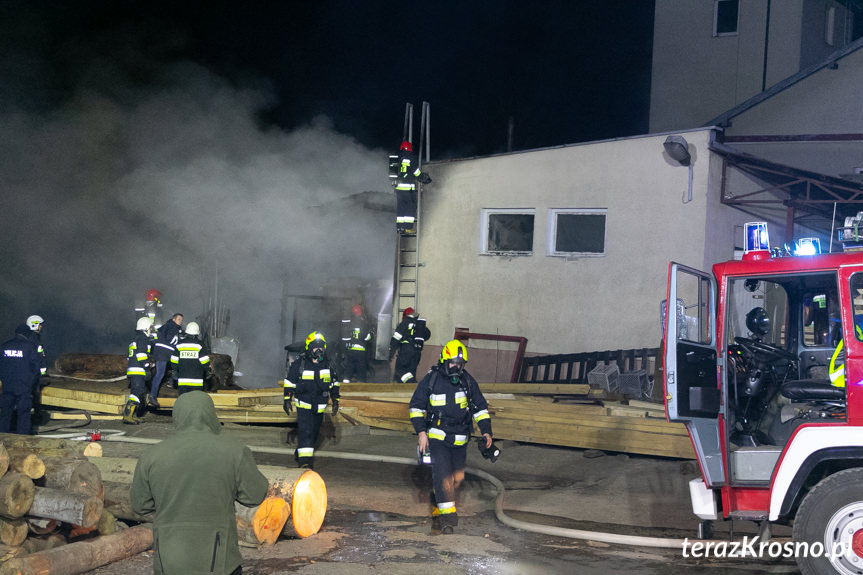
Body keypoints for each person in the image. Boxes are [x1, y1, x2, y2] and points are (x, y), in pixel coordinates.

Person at [130, 391, 268, 575]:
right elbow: (255, 495)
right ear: (211, 415)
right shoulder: (235, 451)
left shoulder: (151, 456)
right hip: (220, 561)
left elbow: (140, 505)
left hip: (170, 562)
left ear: (177, 417)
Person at [409, 339, 493, 534]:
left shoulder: (468, 381)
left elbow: (480, 408)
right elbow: (415, 407)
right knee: (443, 476)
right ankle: (447, 521)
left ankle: (442, 497)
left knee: (456, 478)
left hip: (461, 439)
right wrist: (422, 432)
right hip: (438, 437)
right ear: (444, 361)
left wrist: (487, 431)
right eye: (453, 363)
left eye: (460, 364)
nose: (456, 367)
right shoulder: (431, 380)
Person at [282, 331, 340, 469]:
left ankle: (301, 451)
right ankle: (305, 464)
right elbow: (289, 382)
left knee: (313, 434)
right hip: (304, 406)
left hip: (319, 407)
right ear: (309, 348)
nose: (319, 350)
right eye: (315, 347)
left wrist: (336, 399)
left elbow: (334, 384)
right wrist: (286, 399)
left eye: (321, 347)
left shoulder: (329, 366)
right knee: (306, 432)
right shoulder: (299, 365)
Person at [0, 324, 42, 434]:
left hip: (7, 387)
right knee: (24, 415)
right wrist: (32, 384)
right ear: (27, 334)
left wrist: (4, 380)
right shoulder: (29, 346)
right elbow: (36, 368)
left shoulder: (4, 346)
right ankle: (22, 441)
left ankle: (2, 439)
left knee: (5, 414)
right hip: (24, 388)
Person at [392, 140, 431, 235]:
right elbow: (416, 172)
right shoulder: (410, 158)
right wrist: (425, 179)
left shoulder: (398, 158)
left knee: (401, 208)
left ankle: (400, 228)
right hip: (407, 188)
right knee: (411, 206)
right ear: (409, 148)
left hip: (399, 189)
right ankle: (408, 228)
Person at [123, 317, 154, 425]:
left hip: (134, 369)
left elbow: (129, 357)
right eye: (150, 327)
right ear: (145, 327)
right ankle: (128, 416)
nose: (151, 329)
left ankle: (134, 415)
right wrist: (147, 367)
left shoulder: (136, 338)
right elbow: (141, 354)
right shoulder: (142, 338)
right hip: (138, 370)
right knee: (136, 393)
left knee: (138, 392)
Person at [149, 313, 183, 409]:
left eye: (181, 319)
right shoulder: (173, 328)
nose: (181, 321)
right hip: (164, 354)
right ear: (174, 319)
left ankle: (171, 382)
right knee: (160, 374)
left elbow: (157, 336)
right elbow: (170, 339)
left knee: (173, 368)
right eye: (179, 319)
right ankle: (152, 395)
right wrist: (179, 341)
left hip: (163, 353)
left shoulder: (166, 326)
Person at [390, 307, 430, 383]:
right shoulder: (419, 324)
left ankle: (412, 382)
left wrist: (390, 352)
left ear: (405, 315)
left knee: (400, 370)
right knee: (411, 372)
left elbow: (396, 338)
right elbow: (427, 334)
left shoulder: (405, 322)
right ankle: (411, 390)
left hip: (406, 351)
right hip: (417, 353)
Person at [170, 321, 211, 394]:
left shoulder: (180, 344)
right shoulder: (200, 345)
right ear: (197, 333)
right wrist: (208, 370)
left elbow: (174, 359)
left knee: (183, 400)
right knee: (195, 402)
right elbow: (204, 360)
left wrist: (174, 370)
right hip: (196, 381)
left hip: (183, 380)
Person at [341, 305, 373, 383]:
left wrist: (346, 346)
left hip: (350, 350)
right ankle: (360, 383)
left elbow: (345, 336)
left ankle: (346, 380)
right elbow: (367, 337)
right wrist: (371, 334)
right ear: (361, 312)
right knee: (361, 368)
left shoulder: (349, 322)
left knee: (349, 366)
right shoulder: (363, 322)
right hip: (360, 350)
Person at [25, 315, 48, 424]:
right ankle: (35, 418)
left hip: (29, 372)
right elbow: (39, 357)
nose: (41, 327)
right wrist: (42, 373)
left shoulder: (28, 337)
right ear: (34, 324)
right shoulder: (34, 339)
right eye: (39, 324)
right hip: (33, 373)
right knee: (34, 395)